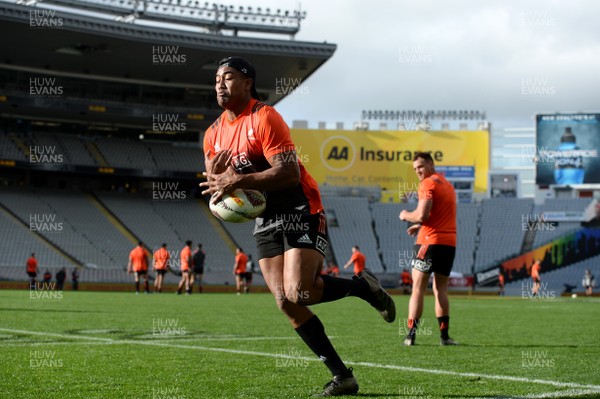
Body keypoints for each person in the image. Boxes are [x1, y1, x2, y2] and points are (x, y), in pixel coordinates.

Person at [200, 56, 395, 396]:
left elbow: (288, 173)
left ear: (247, 83)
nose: (220, 83)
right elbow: (219, 184)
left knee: (300, 291)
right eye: (217, 78)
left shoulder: (264, 118)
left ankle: (362, 288)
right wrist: (219, 193)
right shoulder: (213, 134)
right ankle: (343, 377)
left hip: (299, 206)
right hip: (264, 217)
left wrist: (237, 181)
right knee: (286, 302)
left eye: (228, 77)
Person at [399, 151, 457, 346]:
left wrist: (406, 214)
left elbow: (421, 214)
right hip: (448, 244)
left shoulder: (427, 183)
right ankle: (445, 337)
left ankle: (410, 335)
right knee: (441, 290)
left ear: (431, 165)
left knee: (417, 289)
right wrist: (422, 225)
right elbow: (435, 215)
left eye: (421, 167)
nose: (418, 171)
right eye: (415, 168)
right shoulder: (447, 185)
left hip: (429, 243)